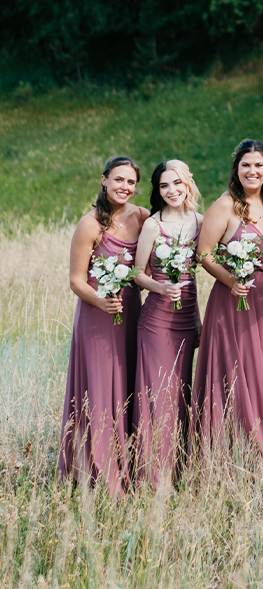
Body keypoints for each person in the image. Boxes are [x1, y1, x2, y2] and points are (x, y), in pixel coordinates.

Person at [192, 140, 263, 467]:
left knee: (259, 374)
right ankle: (231, 453)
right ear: (236, 169)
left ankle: (259, 445)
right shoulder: (226, 206)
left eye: (258, 165)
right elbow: (203, 253)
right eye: (246, 165)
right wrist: (230, 280)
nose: (252, 171)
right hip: (233, 302)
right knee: (236, 373)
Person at [59, 155, 148, 494]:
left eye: (130, 182)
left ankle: (129, 463)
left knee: (126, 386)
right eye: (118, 180)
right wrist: (100, 300)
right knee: (98, 391)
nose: (124, 187)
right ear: (104, 180)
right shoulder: (91, 224)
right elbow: (76, 280)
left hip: (132, 314)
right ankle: (99, 473)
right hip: (97, 315)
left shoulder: (142, 217)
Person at [133, 159, 203, 486]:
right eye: (164, 185)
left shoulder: (200, 223)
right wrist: (162, 286)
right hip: (157, 319)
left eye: (176, 183)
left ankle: (179, 471)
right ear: (157, 190)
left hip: (187, 318)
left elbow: (198, 277)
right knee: (158, 395)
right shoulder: (153, 224)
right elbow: (137, 274)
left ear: (188, 183)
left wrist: (199, 321)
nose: (171, 190)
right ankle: (153, 475)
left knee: (182, 394)